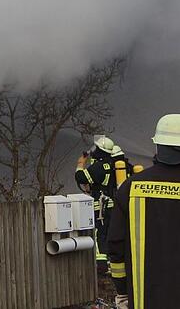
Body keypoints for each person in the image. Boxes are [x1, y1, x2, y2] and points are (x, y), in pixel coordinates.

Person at [108, 114, 180, 309]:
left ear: (158, 146)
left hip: (144, 299)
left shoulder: (130, 187)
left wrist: (122, 291)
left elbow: (115, 244)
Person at [74, 135, 118, 269]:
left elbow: (81, 178)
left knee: (99, 232)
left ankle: (101, 264)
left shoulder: (99, 167)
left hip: (101, 206)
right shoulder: (112, 164)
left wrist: (80, 164)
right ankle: (111, 261)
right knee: (109, 232)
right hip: (112, 204)